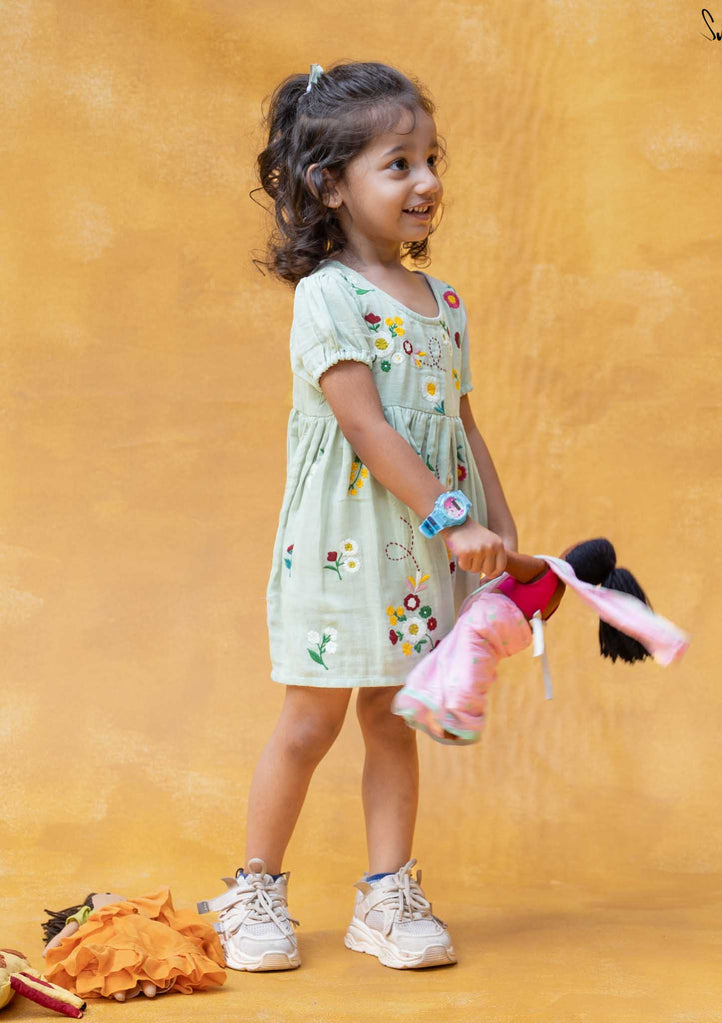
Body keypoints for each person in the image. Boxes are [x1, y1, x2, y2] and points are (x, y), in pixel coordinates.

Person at [198, 61, 518, 972]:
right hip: (343, 547)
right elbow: (366, 426)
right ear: (330, 184)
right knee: (311, 723)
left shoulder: (444, 304)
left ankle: (386, 894)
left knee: (390, 717)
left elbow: (460, 424)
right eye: (398, 163)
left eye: (431, 159)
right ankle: (254, 888)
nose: (425, 181)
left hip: (422, 554)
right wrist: (454, 518)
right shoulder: (328, 295)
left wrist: (500, 526)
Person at [393, 538, 690, 744]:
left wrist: (473, 543)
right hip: (509, 634)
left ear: (571, 550)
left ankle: (459, 714)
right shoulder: (558, 593)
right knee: (465, 660)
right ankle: (438, 705)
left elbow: (502, 559)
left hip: (491, 621)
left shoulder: (544, 571)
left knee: (462, 659)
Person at [41, 889, 226, 1001]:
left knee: (149, 954)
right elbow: (67, 931)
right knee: (115, 960)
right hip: (108, 936)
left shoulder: (136, 910)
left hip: (141, 933)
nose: (111, 896)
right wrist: (51, 949)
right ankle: (128, 986)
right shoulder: (88, 912)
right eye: (107, 894)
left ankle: (146, 983)